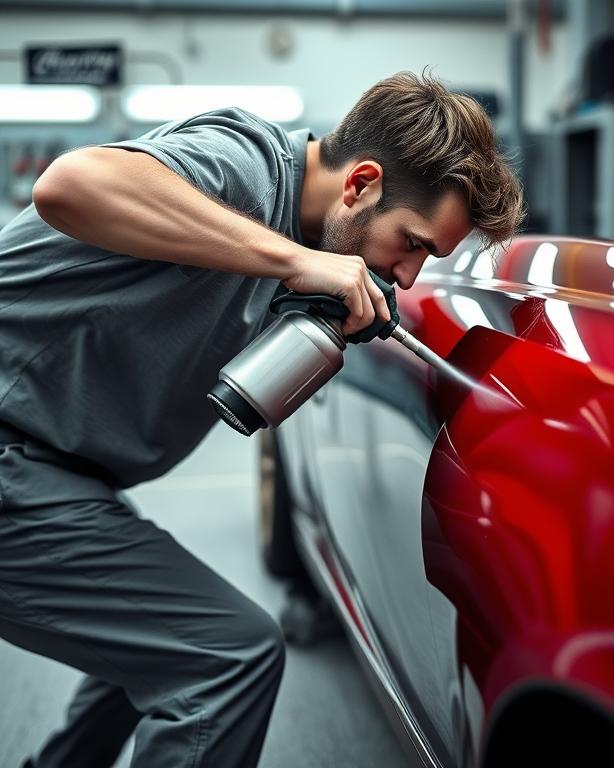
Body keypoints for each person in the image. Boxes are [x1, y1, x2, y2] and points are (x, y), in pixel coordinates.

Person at [0, 71, 524, 767]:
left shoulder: (310, 252)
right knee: (226, 657)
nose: (405, 276)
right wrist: (298, 263)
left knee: (161, 638)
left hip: (61, 470)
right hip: (15, 457)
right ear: (360, 183)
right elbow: (68, 186)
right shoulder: (246, 162)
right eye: (414, 244)